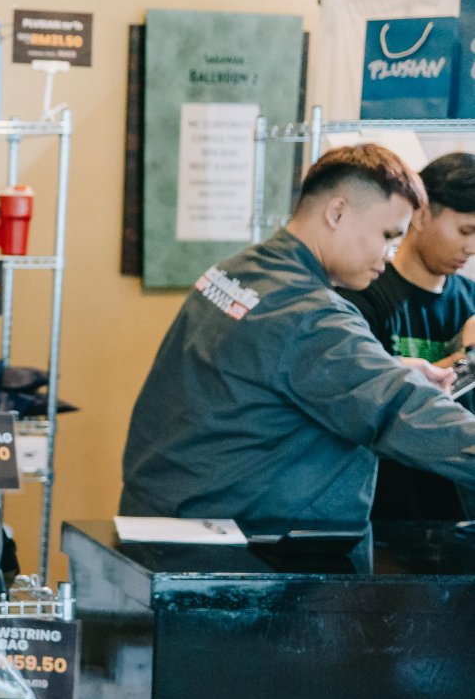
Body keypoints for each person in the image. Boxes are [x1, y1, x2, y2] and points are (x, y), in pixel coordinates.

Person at [121, 143, 475, 527]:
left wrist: (385, 367)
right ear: (337, 212)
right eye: (387, 235)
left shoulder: (241, 271)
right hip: (224, 536)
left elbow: (283, 366)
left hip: (163, 509)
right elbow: (401, 409)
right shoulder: (308, 313)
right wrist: (389, 380)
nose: (389, 253)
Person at [337, 152, 475, 521]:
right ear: (421, 214)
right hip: (385, 509)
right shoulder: (362, 297)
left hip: (457, 509)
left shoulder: (471, 299)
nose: (472, 247)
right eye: (465, 231)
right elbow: (371, 400)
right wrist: (468, 360)